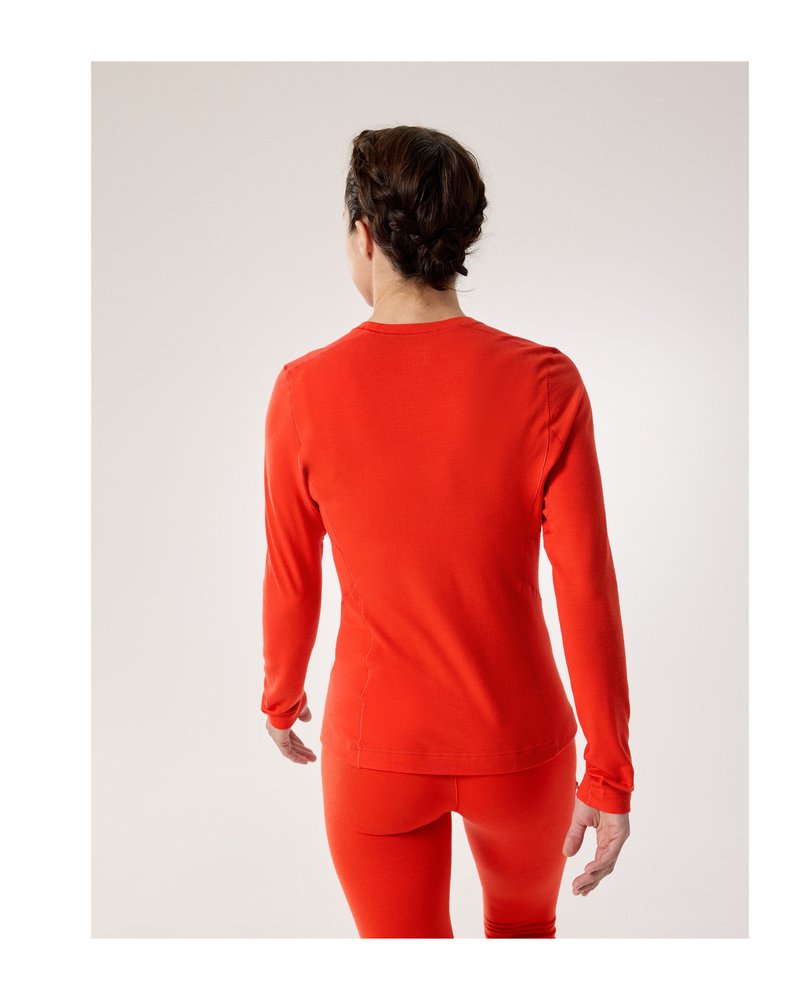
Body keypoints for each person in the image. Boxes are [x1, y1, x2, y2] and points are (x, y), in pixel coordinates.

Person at [261, 125, 634, 938]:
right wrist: (608, 770)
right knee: (524, 938)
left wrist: (282, 694)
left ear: (364, 235)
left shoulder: (302, 391)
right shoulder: (545, 382)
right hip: (521, 747)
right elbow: (586, 588)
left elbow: (293, 571)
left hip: (377, 751)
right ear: (461, 239)